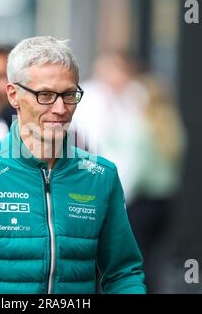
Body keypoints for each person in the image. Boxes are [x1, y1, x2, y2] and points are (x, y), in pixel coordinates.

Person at [0, 36, 146, 294]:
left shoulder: (101, 176)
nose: (60, 108)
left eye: (69, 94)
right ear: (14, 95)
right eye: (45, 95)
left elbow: (124, 273)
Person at [72, 51, 186, 293]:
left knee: (132, 262)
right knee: (148, 261)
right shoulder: (169, 127)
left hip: (134, 201)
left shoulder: (137, 124)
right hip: (159, 202)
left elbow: (132, 167)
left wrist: (117, 198)